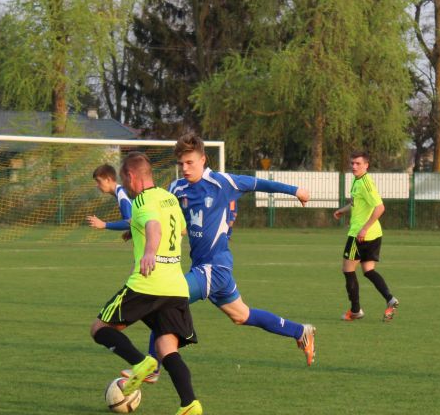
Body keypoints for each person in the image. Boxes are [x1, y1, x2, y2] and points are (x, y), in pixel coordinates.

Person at [162, 132, 318, 366]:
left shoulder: (222, 183)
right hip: (203, 267)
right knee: (241, 315)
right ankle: (300, 331)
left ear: (203, 159)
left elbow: (259, 183)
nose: (185, 168)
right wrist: (133, 228)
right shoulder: (176, 188)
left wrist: (295, 191)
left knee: (168, 299)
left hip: (215, 267)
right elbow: (158, 214)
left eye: (190, 162)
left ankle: (151, 366)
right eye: (181, 163)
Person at [91, 152, 203, 415]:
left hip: (149, 282)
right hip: (175, 285)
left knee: (100, 329)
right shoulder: (169, 198)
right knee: (166, 346)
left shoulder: (141, 200)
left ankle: (141, 363)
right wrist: (136, 228)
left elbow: (154, 226)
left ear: (131, 176)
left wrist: (150, 250)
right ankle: (189, 403)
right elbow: (181, 230)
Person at [332, 150, 398, 321]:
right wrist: (343, 210)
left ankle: (355, 310)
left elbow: (380, 208)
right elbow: (356, 203)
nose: (354, 166)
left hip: (360, 235)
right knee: (368, 270)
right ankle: (390, 299)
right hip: (374, 235)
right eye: (352, 163)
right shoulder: (358, 180)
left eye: (358, 163)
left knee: (348, 270)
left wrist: (364, 229)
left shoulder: (365, 183)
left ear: (366, 165)